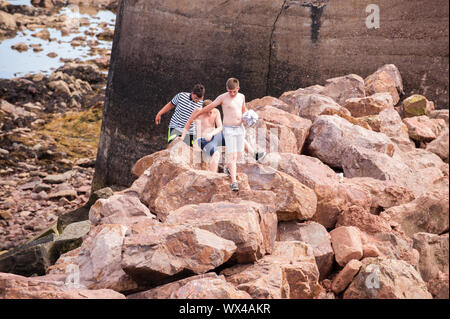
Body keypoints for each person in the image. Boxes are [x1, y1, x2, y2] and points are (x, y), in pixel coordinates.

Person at [187, 78, 262, 191]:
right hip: (228, 130)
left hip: (239, 128)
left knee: (239, 154)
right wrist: (196, 115)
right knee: (233, 156)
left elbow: (243, 109)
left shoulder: (241, 96)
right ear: (227, 89)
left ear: (238, 89)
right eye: (230, 91)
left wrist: (249, 115)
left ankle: (250, 156)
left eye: (234, 91)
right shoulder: (222, 97)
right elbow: (209, 106)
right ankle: (230, 182)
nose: (232, 93)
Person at [180, 99, 224, 172]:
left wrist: (212, 133)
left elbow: (220, 127)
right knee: (203, 158)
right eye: (207, 112)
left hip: (212, 137)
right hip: (201, 139)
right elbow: (189, 122)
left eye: (211, 111)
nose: (210, 114)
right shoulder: (198, 112)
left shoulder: (216, 112)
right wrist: (182, 136)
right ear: (203, 109)